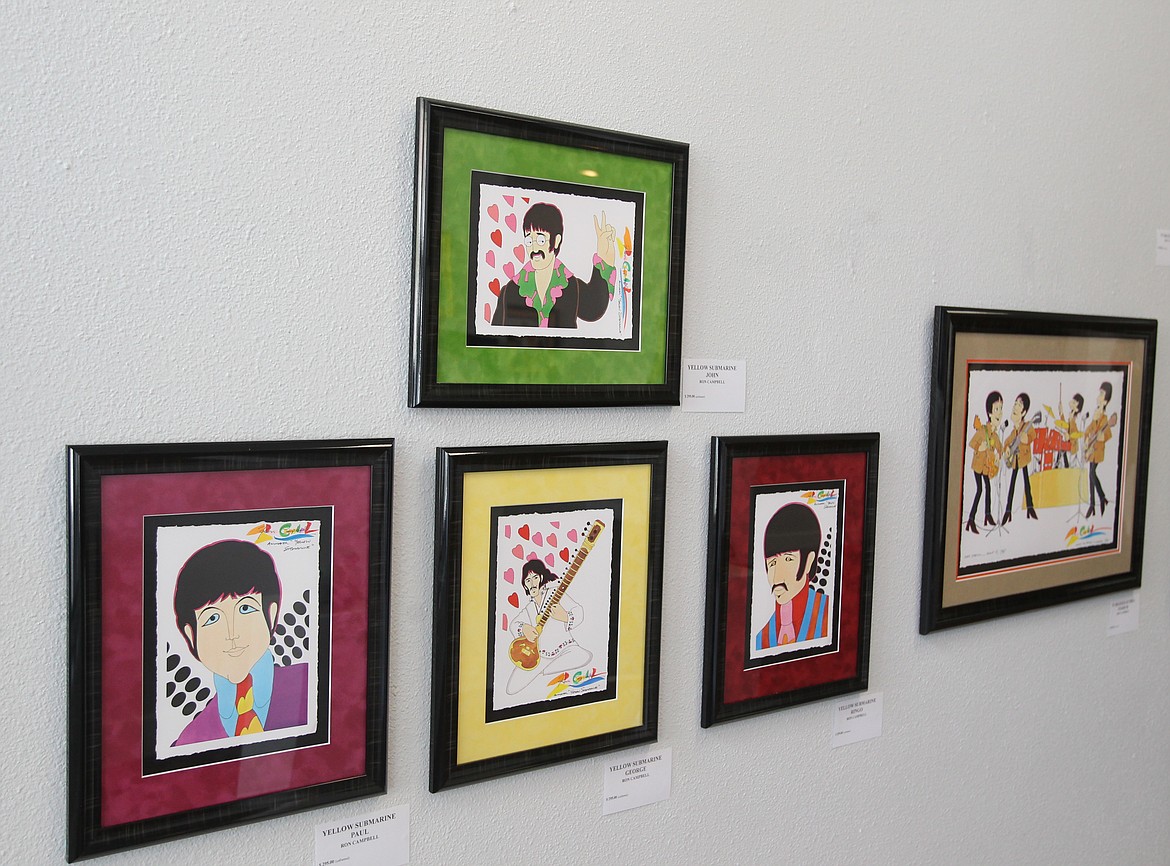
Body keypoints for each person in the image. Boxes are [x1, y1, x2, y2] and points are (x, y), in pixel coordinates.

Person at [171, 540, 308, 746]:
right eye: (212, 618)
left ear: (271, 614)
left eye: (245, 609)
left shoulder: (311, 685)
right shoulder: (189, 741)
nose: (232, 633)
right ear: (191, 636)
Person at [491, 202, 618, 328]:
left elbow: (593, 308)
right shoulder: (510, 290)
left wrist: (604, 258)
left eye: (541, 240)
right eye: (529, 241)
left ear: (556, 241)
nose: (534, 248)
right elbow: (494, 335)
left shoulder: (571, 286)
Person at [506, 559, 592, 696]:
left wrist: (566, 617)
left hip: (566, 649)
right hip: (540, 656)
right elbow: (514, 624)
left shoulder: (555, 593)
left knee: (584, 656)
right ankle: (543, 673)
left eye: (535, 578)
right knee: (512, 688)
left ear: (541, 578)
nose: (532, 583)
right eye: (528, 580)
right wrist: (524, 628)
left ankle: (542, 674)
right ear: (525, 585)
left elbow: (578, 610)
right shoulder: (530, 608)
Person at [754, 503, 828, 650]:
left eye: (788, 559)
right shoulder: (761, 639)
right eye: (772, 563)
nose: (777, 577)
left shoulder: (830, 615)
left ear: (809, 561)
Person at [966, 391, 1003, 534]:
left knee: (988, 488)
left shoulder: (995, 435)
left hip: (987, 467)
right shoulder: (983, 431)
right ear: (990, 413)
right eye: (996, 409)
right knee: (980, 489)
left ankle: (988, 515)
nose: (999, 413)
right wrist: (980, 447)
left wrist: (999, 455)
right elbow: (972, 443)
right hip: (978, 466)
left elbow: (1000, 448)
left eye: (1001, 409)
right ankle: (971, 519)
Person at [1002, 392, 1038, 524]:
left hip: (1023, 458)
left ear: (1024, 412)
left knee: (1026, 483)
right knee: (1012, 485)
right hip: (1015, 461)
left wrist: (1026, 439)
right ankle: (1008, 511)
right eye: (1015, 404)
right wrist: (1007, 449)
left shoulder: (1027, 426)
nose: (1015, 407)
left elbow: (1033, 435)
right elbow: (1007, 443)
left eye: (1019, 405)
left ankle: (1030, 508)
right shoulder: (1013, 432)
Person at [1084, 382, 1114, 518]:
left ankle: (1102, 498)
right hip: (1091, 451)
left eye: (1102, 394)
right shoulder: (1096, 416)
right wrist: (1088, 438)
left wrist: (1101, 437)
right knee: (1090, 474)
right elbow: (1088, 431)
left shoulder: (1105, 418)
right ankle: (1092, 504)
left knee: (1092, 473)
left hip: (1098, 451)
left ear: (1106, 401)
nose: (1099, 396)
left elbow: (1107, 434)